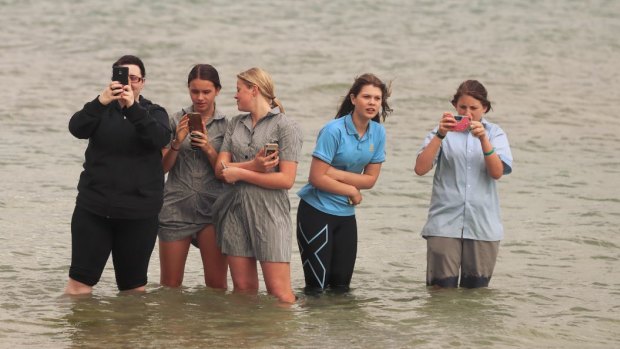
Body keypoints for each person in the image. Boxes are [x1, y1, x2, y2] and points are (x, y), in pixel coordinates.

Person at [65, 55, 171, 294]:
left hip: (138, 215)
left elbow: (160, 138)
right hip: (93, 210)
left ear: (143, 82)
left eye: (135, 78)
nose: (129, 83)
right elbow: (76, 128)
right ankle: (80, 331)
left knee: (133, 291)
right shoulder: (100, 109)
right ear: (113, 80)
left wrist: (133, 108)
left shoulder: (154, 112)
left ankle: (129, 333)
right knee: (78, 286)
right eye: (123, 77)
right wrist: (99, 101)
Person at [212, 67, 302, 303]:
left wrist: (239, 173)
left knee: (280, 293)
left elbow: (286, 180)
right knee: (243, 289)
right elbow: (220, 170)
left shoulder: (286, 126)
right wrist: (254, 165)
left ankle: (285, 340)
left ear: (254, 90)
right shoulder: (235, 123)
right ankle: (247, 338)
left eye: (238, 90)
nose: (235, 96)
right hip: (234, 210)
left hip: (270, 212)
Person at [296, 73, 392, 294]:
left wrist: (333, 172)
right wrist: (350, 189)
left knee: (342, 290)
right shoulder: (334, 130)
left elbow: (370, 180)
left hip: (346, 216)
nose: (372, 103)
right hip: (316, 212)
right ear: (353, 99)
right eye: (366, 97)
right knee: (316, 289)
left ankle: (343, 330)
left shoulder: (378, 133)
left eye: (377, 99)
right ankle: (311, 328)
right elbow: (317, 178)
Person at [414, 80, 513, 288]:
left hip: (482, 225)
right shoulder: (441, 132)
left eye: (474, 108)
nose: (468, 113)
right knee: (440, 294)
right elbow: (420, 169)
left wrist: (484, 140)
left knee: (475, 297)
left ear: (484, 108)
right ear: (455, 107)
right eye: (462, 107)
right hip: (444, 224)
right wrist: (440, 135)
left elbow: (497, 173)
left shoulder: (495, 134)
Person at [157, 64, 229, 289]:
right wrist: (177, 142)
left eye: (206, 92)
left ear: (217, 90)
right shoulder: (174, 120)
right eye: (194, 91)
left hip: (213, 209)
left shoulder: (228, 125)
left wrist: (208, 147)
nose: (200, 97)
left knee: (216, 287)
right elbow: (162, 169)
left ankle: (211, 326)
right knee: (170, 286)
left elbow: (227, 172)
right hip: (176, 207)